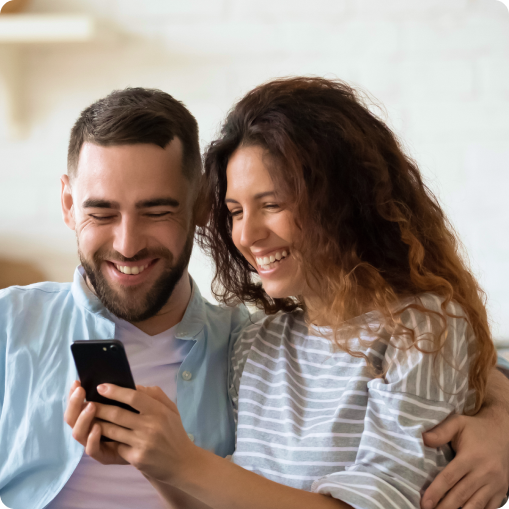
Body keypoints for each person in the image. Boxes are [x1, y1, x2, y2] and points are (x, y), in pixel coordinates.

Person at [66, 77, 509, 509]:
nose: (248, 234)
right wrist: (154, 461)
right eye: (236, 211)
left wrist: (184, 460)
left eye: (272, 204)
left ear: (342, 199)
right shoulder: (256, 343)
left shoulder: (420, 326)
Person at [0, 88, 250, 509]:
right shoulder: (8, 325)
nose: (128, 244)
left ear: (203, 203)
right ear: (68, 205)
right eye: (101, 213)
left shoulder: (253, 348)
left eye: (156, 212)